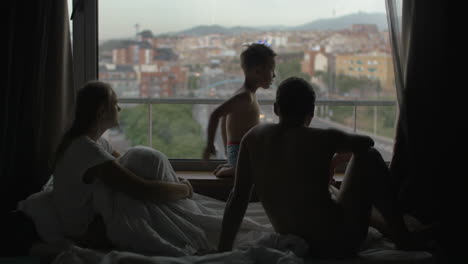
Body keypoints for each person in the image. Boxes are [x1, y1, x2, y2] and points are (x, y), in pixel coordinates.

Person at [218, 77, 416, 258]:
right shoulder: (324, 139)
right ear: (312, 111)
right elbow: (368, 143)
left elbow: (238, 198)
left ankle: (397, 231)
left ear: (277, 108)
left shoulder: (252, 138)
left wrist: (223, 249)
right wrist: (335, 159)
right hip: (338, 242)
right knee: (370, 156)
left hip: (293, 238)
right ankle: (402, 236)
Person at [52, 81, 193, 248]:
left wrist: (172, 181)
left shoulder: (95, 143)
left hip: (93, 222)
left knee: (142, 160)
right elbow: (142, 189)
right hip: (86, 232)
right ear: (102, 112)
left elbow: (127, 169)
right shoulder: (85, 149)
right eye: (115, 104)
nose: (119, 109)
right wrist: (184, 189)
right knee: (143, 178)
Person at [202, 43, 276, 178]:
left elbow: (225, 119)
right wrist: (210, 146)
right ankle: (237, 169)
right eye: (271, 70)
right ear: (258, 71)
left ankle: (234, 166)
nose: (274, 75)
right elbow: (216, 114)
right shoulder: (245, 97)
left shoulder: (245, 94)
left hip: (239, 153)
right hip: (244, 155)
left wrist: (228, 151)